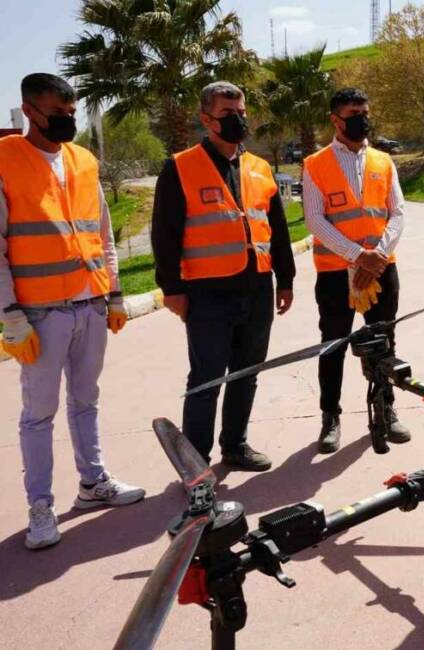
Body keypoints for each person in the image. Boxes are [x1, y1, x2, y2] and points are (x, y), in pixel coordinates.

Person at [0, 73, 145, 550]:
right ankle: (40, 506)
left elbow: (102, 235)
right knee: (37, 414)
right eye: (56, 113)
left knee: (86, 401)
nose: (66, 119)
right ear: (29, 112)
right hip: (40, 314)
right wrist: (11, 316)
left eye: (71, 112)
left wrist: (116, 295)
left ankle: (92, 483)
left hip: (90, 305)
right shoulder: (5, 161)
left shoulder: (83, 161)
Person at [151, 81, 296, 471]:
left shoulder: (259, 168)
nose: (237, 120)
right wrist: (172, 289)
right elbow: (164, 235)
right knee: (206, 378)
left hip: (257, 287)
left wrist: (285, 279)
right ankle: (195, 462)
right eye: (227, 114)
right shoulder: (180, 167)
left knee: (247, 373)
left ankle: (236, 445)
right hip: (208, 293)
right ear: (206, 119)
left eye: (241, 113)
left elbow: (277, 230)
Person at [303, 88, 409, 453]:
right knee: (332, 346)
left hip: (382, 268)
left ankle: (387, 411)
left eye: (365, 111)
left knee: (384, 343)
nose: (362, 118)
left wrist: (377, 254)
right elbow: (314, 220)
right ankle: (330, 417)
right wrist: (355, 256)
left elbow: (397, 211)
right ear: (336, 120)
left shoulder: (383, 160)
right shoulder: (315, 164)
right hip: (335, 273)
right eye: (353, 113)